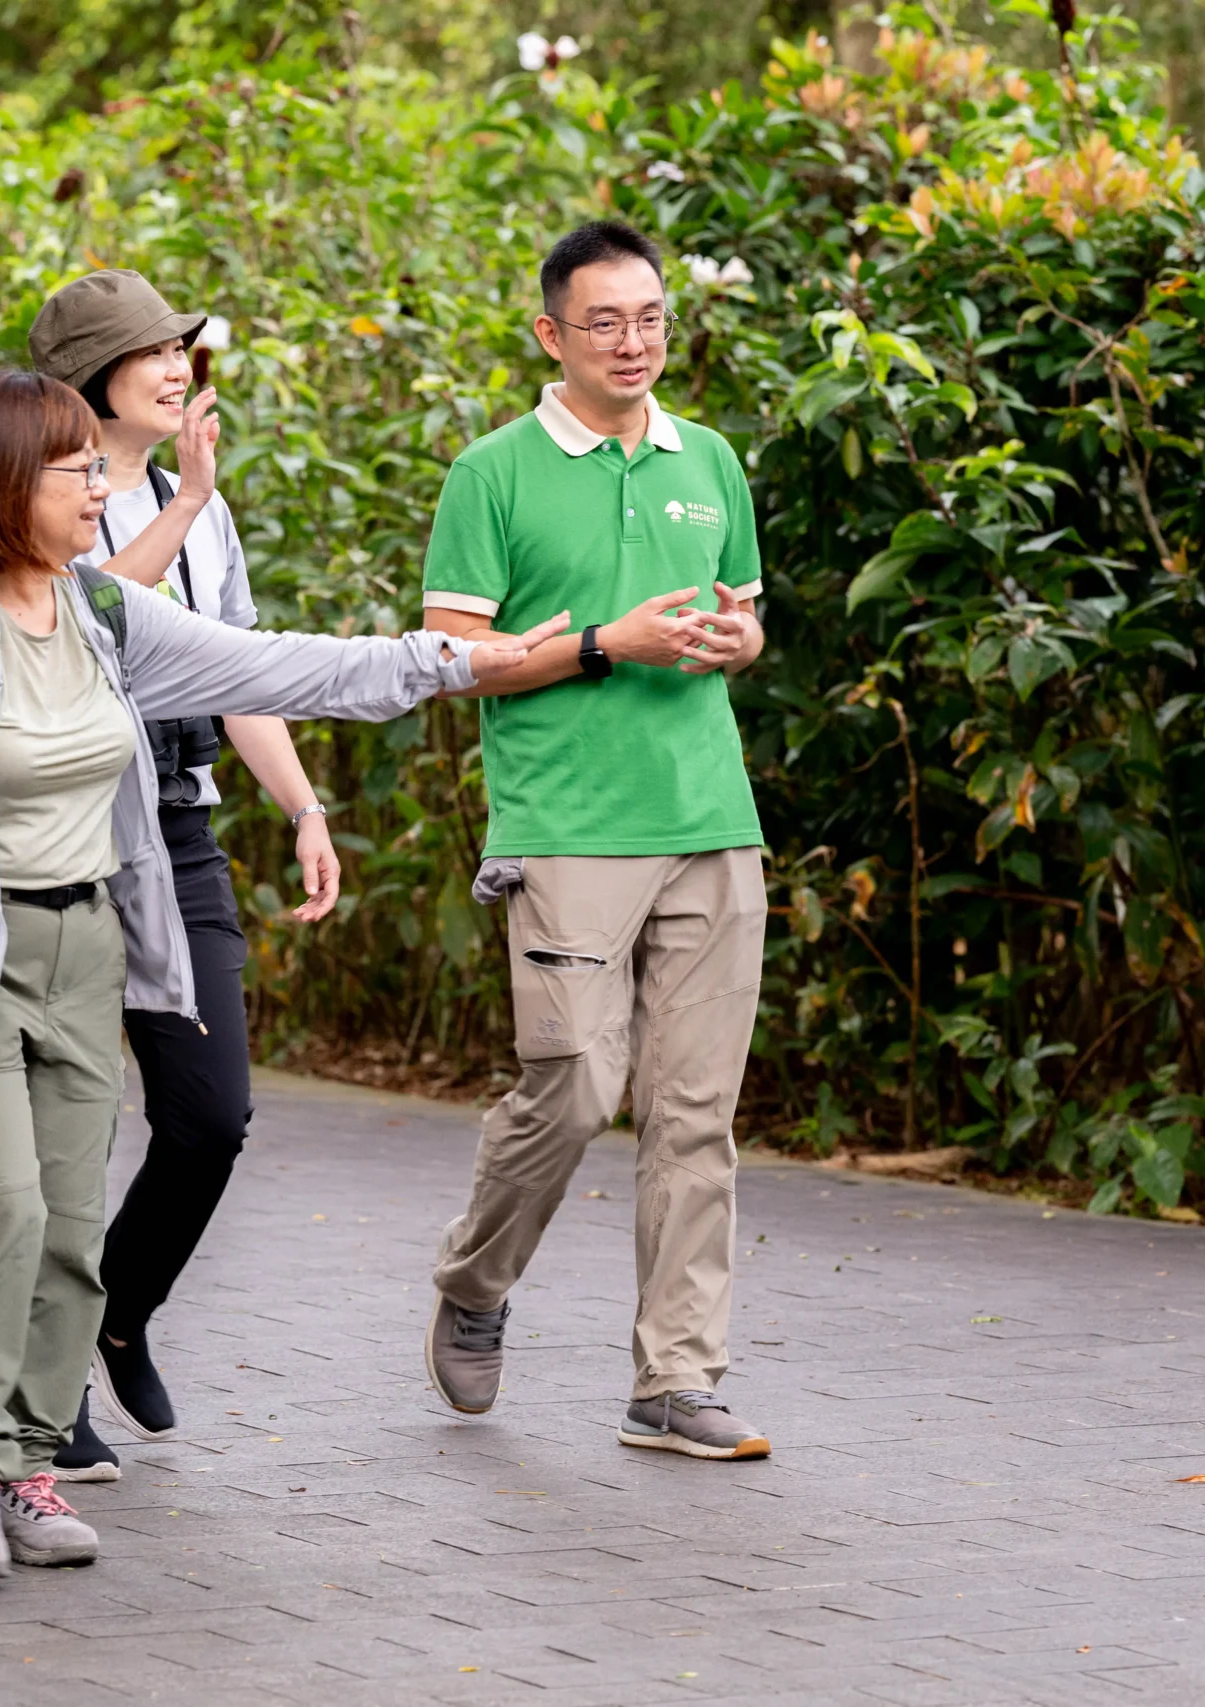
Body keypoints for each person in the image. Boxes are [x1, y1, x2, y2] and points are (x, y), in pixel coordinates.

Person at [0, 368, 565, 1582]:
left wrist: (455, 661)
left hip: (89, 948)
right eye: (75, 470)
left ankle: (30, 1462)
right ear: (1, 484)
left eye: (97, 467)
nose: (99, 488)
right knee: (2, 1209)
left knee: (71, 1223)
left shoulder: (105, 615)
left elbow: (281, 668)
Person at [418, 220, 774, 1460]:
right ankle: (474, 1280)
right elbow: (455, 658)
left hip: (710, 820)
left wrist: (735, 642)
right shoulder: (492, 474)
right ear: (551, 333)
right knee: (572, 1084)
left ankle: (674, 1380)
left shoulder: (709, 459)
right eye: (605, 322)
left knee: (695, 1115)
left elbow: (744, 620)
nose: (632, 343)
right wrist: (601, 645)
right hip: (566, 826)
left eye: (650, 318)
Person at [26, 270, 340, 1479]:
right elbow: (87, 620)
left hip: (177, 831)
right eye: (150, 350)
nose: (176, 368)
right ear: (88, 377)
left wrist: (303, 807)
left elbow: (235, 671)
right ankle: (48, 1382)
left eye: (180, 348)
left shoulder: (192, 503)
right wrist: (191, 502)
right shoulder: (33, 490)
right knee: (61, 1132)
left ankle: (120, 1310)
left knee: (210, 1120)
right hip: (60, 840)